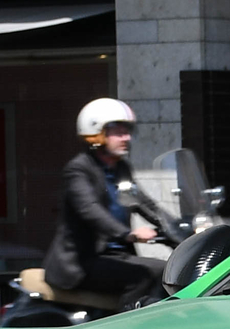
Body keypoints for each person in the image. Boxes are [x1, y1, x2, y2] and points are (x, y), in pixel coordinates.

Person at [46, 98, 171, 300]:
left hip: (115, 256)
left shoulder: (121, 168)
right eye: (118, 132)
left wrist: (175, 226)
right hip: (82, 262)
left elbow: (142, 202)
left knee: (168, 271)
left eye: (128, 132)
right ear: (96, 134)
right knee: (144, 275)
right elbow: (90, 210)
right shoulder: (79, 169)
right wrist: (128, 234)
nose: (126, 137)